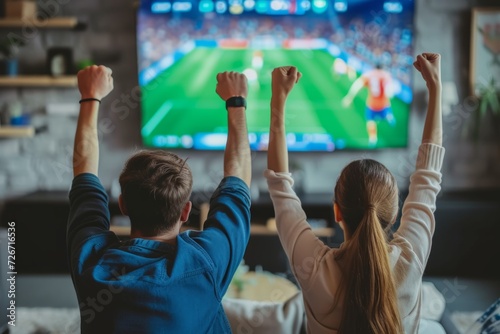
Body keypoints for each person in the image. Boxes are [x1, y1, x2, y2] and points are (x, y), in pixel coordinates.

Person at [266, 53, 444, 333]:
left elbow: (279, 187)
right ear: (394, 211)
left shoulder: (314, 269)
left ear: (336, 211)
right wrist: (435, 87)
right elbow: (427, 179)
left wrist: (278, 98)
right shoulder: (411, 260)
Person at [67, 65, 252, 333]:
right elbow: (238, 176)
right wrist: (236, 102)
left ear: (123, 205)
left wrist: (89, 97)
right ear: (186, 211)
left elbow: (83, 172)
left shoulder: (91, 263)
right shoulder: (207, 261)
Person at [342, 64, 396, 145]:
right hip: (384, 104)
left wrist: (349, 97)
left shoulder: (369, 75)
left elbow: (357, 85)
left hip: (372, 104)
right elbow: (390, 91)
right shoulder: (385, 75)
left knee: (370, 121)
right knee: (385, 114)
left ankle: (373, 140)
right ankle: (388, 116)